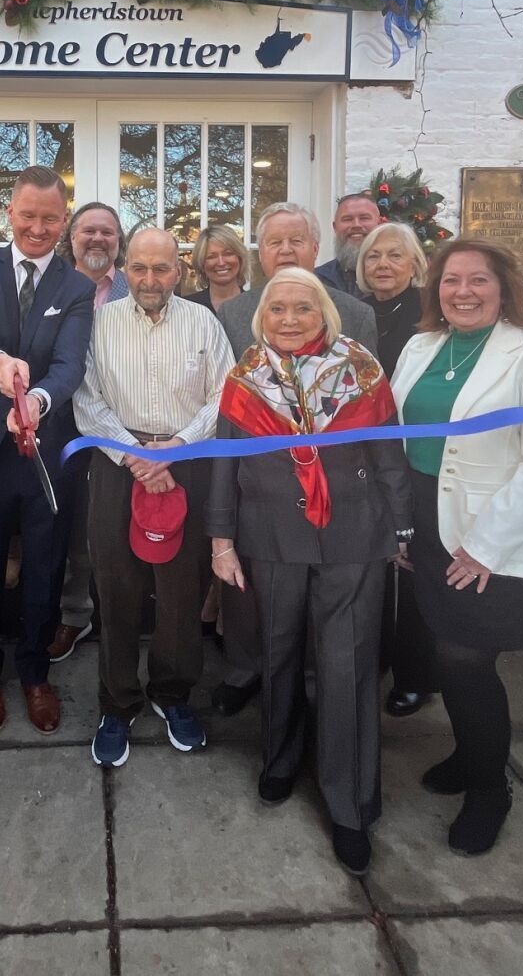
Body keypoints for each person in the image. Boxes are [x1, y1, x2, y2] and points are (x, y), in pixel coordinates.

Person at [208, 268, 410, 876]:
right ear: (260, 317)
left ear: (326, 314)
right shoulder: (244, 377)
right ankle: (279, 760)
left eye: (304, 308)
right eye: (278, 309)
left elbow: (388, 454)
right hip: (269, 537)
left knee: (347, 665)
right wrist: (221, 540)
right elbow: (224, 461)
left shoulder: (362, 371)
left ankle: (349, 802)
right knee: (277, 652)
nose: (290, 320)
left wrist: (402, 530)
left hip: (353, 536)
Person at [390, 237, 523, 856]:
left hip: (494, 537)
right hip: (427, 524)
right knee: (447, 657)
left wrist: (486, 546)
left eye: (478, 281)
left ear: (505, 289)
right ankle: (470, 755)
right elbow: (400, 441)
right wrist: (401, 527)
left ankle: (490, 790)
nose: (463, 292)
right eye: (450, 281)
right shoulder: (421, 347)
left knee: (469, 662)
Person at [73, 228, 235, 768]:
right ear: (126, 268)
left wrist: (177, 448)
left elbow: (226, 394)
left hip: (187, 465)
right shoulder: (101, 323)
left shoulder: (203, 323)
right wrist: (136, 457)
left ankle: (173, 695)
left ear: (179, 272)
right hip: (119, 465)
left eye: (161, 269)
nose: (149, 280)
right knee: (116, 589)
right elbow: (86, 397)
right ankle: (117, 704)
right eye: (139, 268)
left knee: (181, 592)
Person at [213, 203, 377, 717]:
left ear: (315, 247)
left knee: (324, 610)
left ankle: (315, 684)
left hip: (330, 488)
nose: (286, 251)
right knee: (253, 602)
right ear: (260, 253)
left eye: (296, 241)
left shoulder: (356, 313)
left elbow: (365, 409)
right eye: (274, 243)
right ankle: (246, 673)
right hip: (259, 484)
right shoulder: (235, 313)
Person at [0, 165, 95, 734]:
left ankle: (35, 673)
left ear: (64, 221)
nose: (38, 227)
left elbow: (70, 365)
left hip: (47, 449)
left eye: (50, 218)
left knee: (45, 566)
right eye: (28, 215)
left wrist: (34, 398)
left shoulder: (76, 286)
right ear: (8, 213)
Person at [357, 220, 437, 718]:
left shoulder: (430, 315)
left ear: (415, 263)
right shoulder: (355, 313)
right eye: (373, 257)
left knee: (412, 567)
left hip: (411, 456)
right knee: (372, 565)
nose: (383, 265)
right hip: (362, 456)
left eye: (394, 256)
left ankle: (415, 673)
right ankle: (376, 658)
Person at [50, 201, 129, 662]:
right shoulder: (52, 284)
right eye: (88, 231)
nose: (98, 239)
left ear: (119, 241)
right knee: (76, 528)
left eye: (108, 232)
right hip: (63, 425)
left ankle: (125, 615)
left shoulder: (133, 285)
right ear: (72, 237)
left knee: (121, 524)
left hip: (123, 425)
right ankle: (74, 616)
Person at [314, 192, 384, 299]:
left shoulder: (394, 278)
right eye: (347, 219)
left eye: (364, 218)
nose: (356, 225)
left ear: (379, 224)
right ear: (335, 227)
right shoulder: (318, 280)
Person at [180, 224, 251, 314]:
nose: (221, 262)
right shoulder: (188, 308)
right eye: (211, 257)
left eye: (228, 254)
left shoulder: (257, 306)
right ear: (202, 264)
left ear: (240, 258)